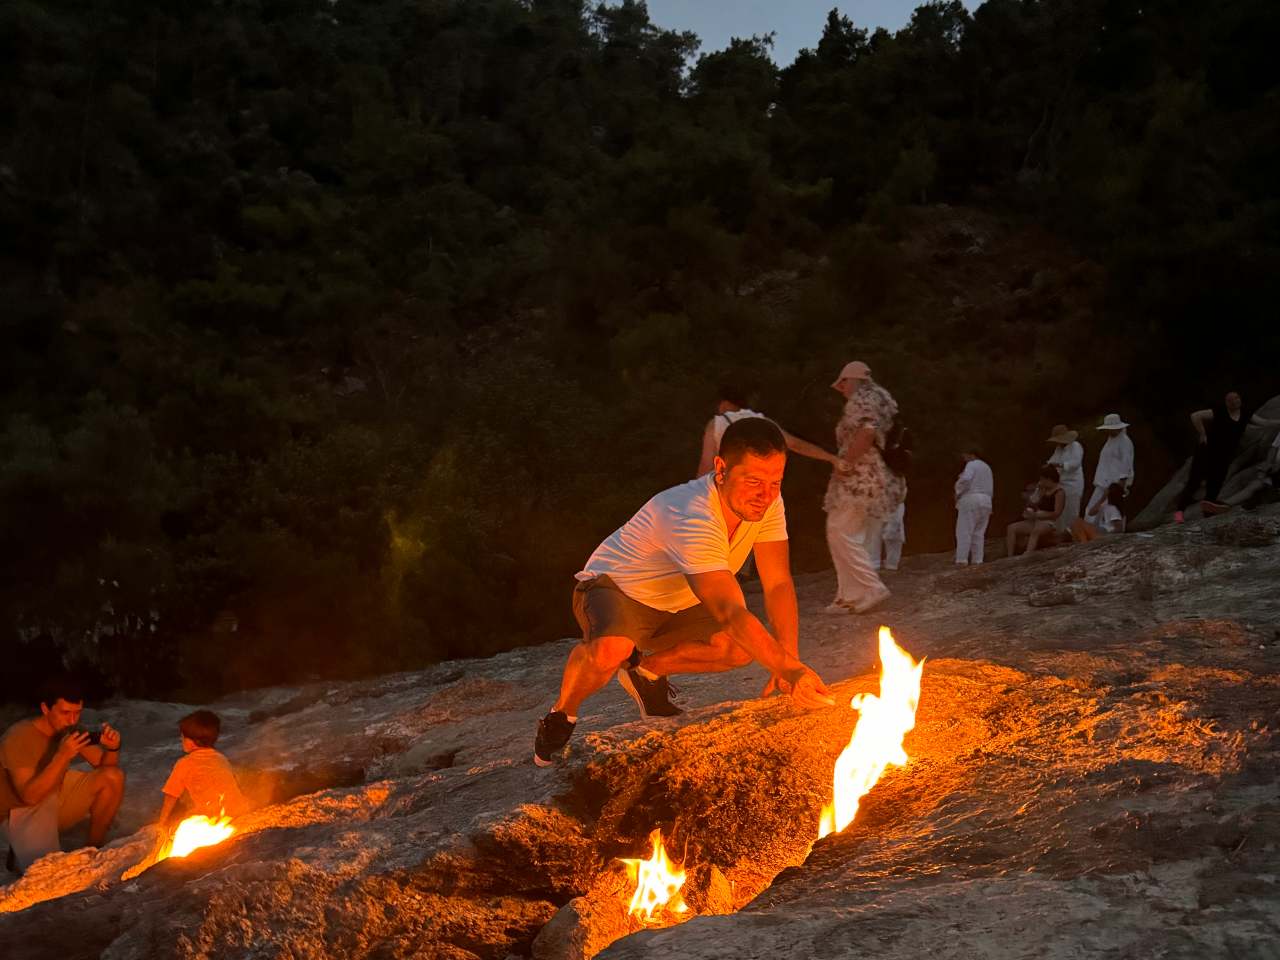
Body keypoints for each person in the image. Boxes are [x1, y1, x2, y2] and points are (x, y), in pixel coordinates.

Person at [533, 417, 834, 766]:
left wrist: (787, 660)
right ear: (721, 469)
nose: (765, 494)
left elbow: (778, 581)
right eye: (753, 481)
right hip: (617, 587)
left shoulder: (768, 503)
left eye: (775, 481)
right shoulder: (690, 512)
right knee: (611, 650)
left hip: (680, 601)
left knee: (740, 649)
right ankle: (560, 716)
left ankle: (646, 670)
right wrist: (794, 672)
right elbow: (729, 612)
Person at [1, 675, 125, 874]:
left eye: (77, 713)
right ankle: (18, 850)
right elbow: (29, 796)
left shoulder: (69, 728)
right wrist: (62, 755)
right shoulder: (18, 737)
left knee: (113, 777)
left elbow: (105, 768)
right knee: (46, 872)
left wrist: (112, 748)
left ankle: (94, 850)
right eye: (65, 712)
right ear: (45, 709)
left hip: (53, 797)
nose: (72, 719)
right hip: (20, 810)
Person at [823, 361, 907, 614]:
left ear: (852, 380)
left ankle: (870, 588)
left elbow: (867, 430)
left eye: (844, 383)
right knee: (846, 533)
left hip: (860, 474)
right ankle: (847, 596)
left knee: (839, 531)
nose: (842, 389)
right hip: (868, 474)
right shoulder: (876, 398)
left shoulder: (864, 398)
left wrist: (845, 462)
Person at [695, 383, 847, 477]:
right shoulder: (762, 421)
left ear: (725, 404)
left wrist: (696, 497)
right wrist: (831, 458)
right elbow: (795, 444)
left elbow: (706, 464)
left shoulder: (716, 424)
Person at [1175, 392, 1280, 522]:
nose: (1235, 402)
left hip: (1224, 454)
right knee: (1195, 480)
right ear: (1227, 403)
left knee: (1216, 480)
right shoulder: (1219, 411)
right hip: (1207, 450)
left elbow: (1265, 422)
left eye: (1237, 399)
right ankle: (1179, 511)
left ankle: (1208, 511)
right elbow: (1195, 416)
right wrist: (1202, 434)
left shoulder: (1245, 414)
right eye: (1232, 400)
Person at [158, 710, 248, 827]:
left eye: (182, 738)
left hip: (213, 816)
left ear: (190, 742)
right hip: (240, 812)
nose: (181, 741)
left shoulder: (185, 763)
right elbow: (234, 784)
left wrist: (162, 823)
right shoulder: (221, 758)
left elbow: (171, 796)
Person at [1202, 429, 1280, 515]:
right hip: (1275, 473)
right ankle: (1224, 505)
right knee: (1255, 484)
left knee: (1260, 485)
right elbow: (1274, 448)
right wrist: (1268, 464)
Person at [1006, 465, 1065, 557]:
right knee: (1011, 528)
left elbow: (1057, 513)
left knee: (1036, 531)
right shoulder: (1043, 490)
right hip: (1037, 518)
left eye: (1042, 479)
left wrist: (1038, 516)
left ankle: (1027, 554)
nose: (1041, 481)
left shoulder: (1059, 492)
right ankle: (1010, 555)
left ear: (1048, 479)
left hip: (1050, 522)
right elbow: (1034, 503)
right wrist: (1039, 492)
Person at [1087, 414, 1135, 521]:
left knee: (1109, 514)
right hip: (1103, 482)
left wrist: (1119, 487)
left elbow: (1126, 466)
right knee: (1092, 514)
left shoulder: (1125, 442)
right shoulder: (1110, 440)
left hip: (1114, 485)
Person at [954, 444, 994, 565]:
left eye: (965, 455)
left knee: (964, 530)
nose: (964, 458)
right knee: (979, 533)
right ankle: (977, 560)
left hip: (972, 498)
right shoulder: (987, 467)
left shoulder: (972, 464)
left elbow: (966, 479)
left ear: (972, 455)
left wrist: (958, 491)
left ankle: (962, 559)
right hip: (986, 500)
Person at [1046, 425, 1084, 534]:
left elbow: (1076, 463)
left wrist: (1061, 465)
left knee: (1072, 509)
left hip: (1073, 483)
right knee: (1061, 510)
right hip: (1061, 483)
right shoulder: (1058, 449)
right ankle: (1062, 533)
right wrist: (1049, 465)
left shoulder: (1076, 446)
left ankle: (1074, 533)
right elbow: (1052, 460)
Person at [871, 503, 906, 572]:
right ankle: (875, 563)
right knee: (874, 536)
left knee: (893, 535)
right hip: (876, 503)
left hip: (893, 503)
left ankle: (891, 564)